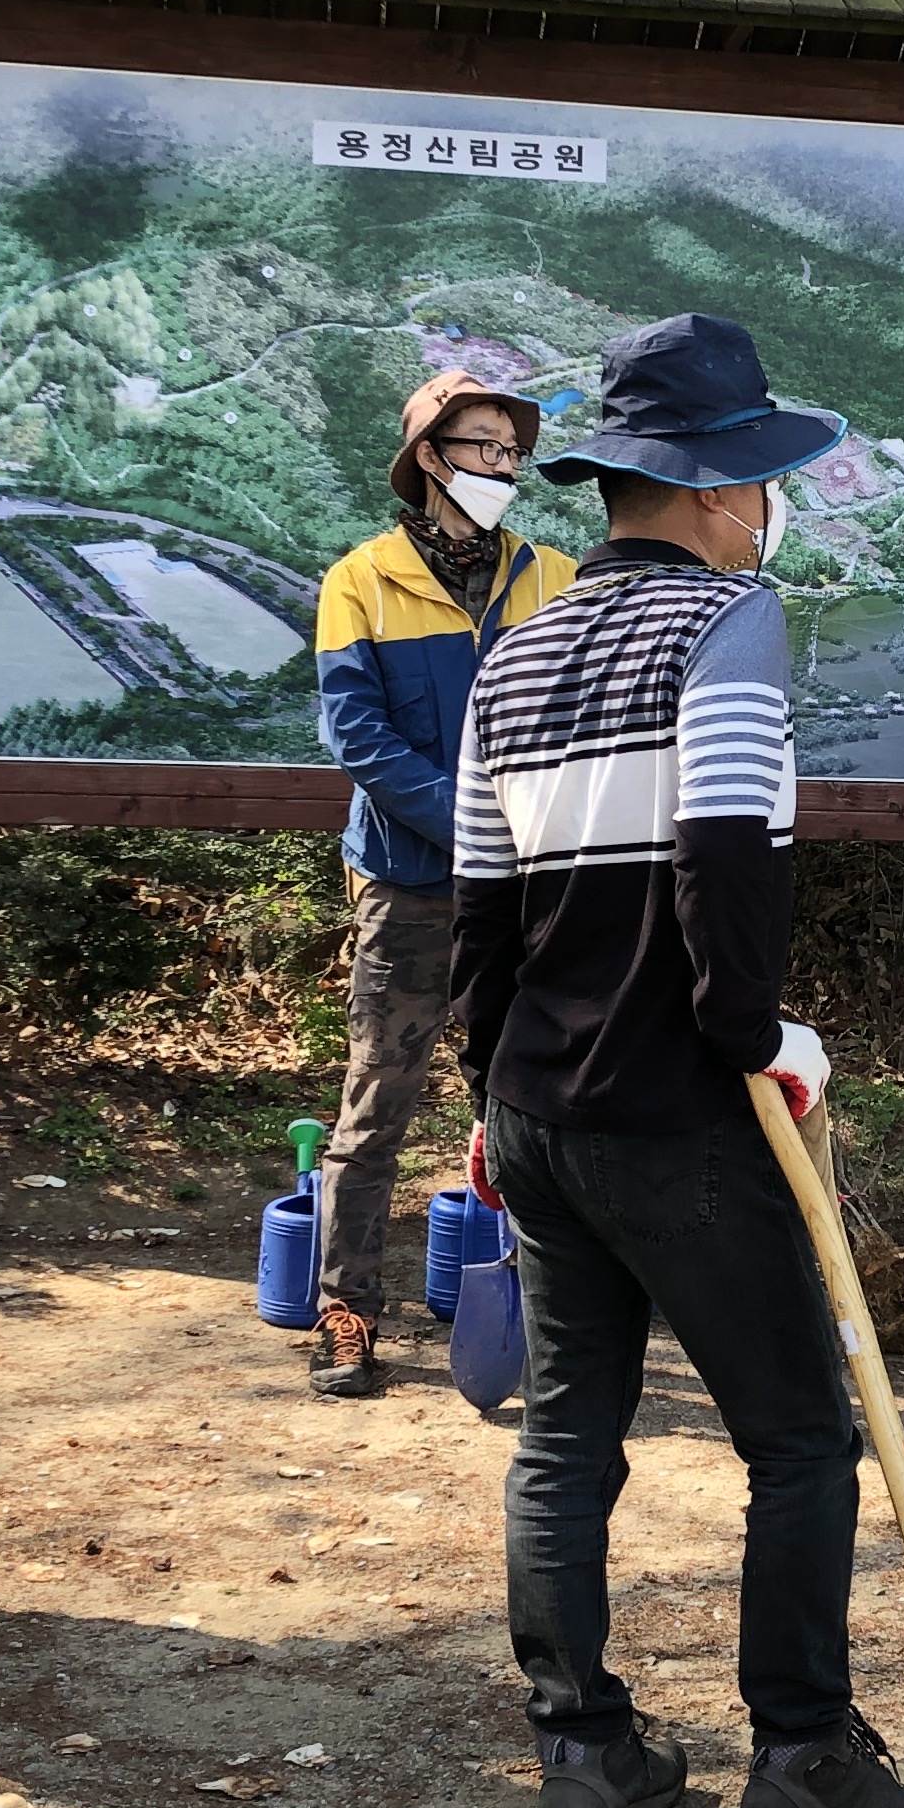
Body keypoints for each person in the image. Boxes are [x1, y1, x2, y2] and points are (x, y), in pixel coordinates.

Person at [450, 311, 904, 1808]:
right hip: (676, 1113)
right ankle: (801, 1756)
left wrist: (490, 1089)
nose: (767, 512)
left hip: (540, 1109)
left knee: (569, 1436)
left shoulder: (514, 650)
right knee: (796, 1438)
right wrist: (754, 1037)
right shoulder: (730, 626)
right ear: (718, 494)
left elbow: (480, 907)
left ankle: (584, 1754)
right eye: (761, 484)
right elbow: (728, 857)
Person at [308, 370, 575, 1398]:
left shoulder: (552, 575)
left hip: (530, 889)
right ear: (428, 457)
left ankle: (542, 1311)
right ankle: (345, 1312)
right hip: (411, 884)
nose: (504, 467)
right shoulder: (361, 579)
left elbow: (570, 713)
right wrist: (468, 828)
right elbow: (357, 735)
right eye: (481, 447)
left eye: (512, 452)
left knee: (524, 1101)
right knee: (377, 1098)